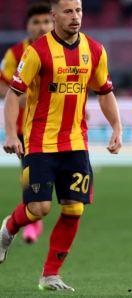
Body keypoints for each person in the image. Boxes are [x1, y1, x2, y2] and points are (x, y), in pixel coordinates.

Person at [0, 0, 123, 291]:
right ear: (54, 15)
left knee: (74, 209)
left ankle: (50, 274)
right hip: (40, 142)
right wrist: (10, 135)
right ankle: (7, 230)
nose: (75, 16)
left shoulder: (94, 50)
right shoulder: (36, 52)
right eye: (68, 11)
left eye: (78, 10)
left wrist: (116, 126)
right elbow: (13, 94)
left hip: (76, 143)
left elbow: (104, 91)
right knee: (39, 208)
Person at [0, 2, 53, 245]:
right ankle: (34, 222)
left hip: (59, 130)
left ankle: (33, 217)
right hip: (27, 130)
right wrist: (23, 99)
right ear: (28, 26)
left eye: (46, 21)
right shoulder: (15, 53)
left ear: (53, 23)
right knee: (29, 177)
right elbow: (3, 85)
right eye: (36, 22)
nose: (42, 27)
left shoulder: (63, 51)